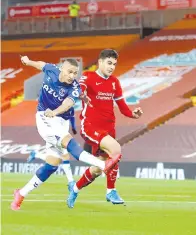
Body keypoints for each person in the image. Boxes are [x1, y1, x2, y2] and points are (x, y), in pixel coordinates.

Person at [11, 56, 121, 211]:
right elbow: (41, 64)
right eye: (70, 72)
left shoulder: (74, 87)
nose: (72, 76)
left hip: (59, 120)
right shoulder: (52, 70)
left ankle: (20, 194)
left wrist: (56, 111)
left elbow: (67, 104)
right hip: (44, 118)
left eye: (75, 73)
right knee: (69, 144)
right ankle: (103, 165)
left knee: (52, 165)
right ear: (62, 68)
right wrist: (28, 62)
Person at [67, 49, 143, 208]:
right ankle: (111, 191)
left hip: (108, 130)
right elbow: (79, 89)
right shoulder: (88, 77)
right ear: (100, 62)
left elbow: (122, 107)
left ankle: (74, 189)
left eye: (114, 64)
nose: (112, 67)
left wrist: (133, 114)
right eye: (109, 63)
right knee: (116, 149)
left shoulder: (114, 82)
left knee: (97, 168)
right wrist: (81, 94)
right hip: (90, 127)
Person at [27, 116, 78, 191]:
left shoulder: (67, 107)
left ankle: (36, 154)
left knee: (55, 160)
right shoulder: (55, 109)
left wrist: (73, 127)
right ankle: (71, 181)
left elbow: (71, 115)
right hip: (55, 136)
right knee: (65, 156)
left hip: (62, 136)